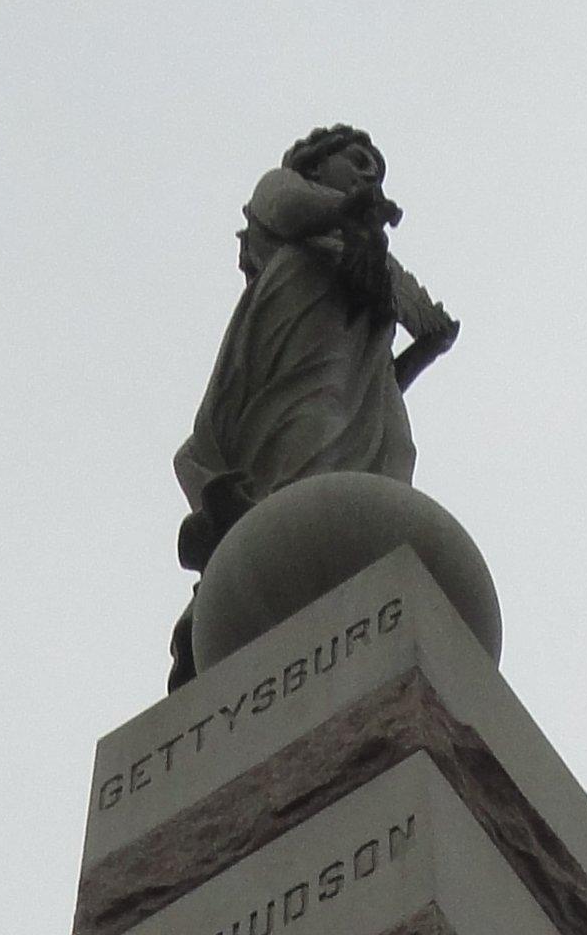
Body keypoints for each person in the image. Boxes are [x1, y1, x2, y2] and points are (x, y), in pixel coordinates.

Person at [170, 127, 459, 675]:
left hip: (363, 391)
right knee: (306, 438)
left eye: (377, 166)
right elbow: (290, 207)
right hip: (298, 361)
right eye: (357, 160)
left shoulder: (370, 259)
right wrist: (355, 208)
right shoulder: (290, 200)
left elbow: (377, 378)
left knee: (391, 456)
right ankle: (256, 576)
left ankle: (356, 582)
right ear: (316, 165)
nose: (370, 171)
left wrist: (428, 348)